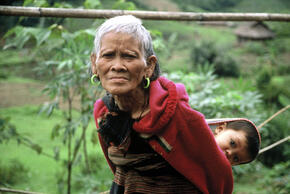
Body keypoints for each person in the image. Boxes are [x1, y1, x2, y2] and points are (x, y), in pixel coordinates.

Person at [91, 15, 233, 194]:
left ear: (149, 66)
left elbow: (220, 175)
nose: (117, 66)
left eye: (129, 56)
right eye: (108, 55)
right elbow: (119, 171)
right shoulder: (103, 112)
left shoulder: (179, 115)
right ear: (94, 64)